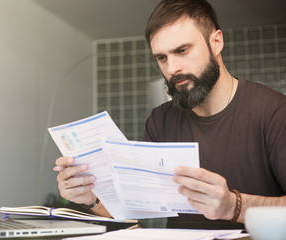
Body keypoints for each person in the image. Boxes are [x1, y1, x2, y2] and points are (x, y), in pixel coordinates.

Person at [55, 0, 286, 227]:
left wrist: (232, 206)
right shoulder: (160, 121)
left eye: (182, 50)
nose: (172, 68)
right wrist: (92, 198)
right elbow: (135, 220)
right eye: (162, 58)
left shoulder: (274, 112)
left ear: (216, 42)